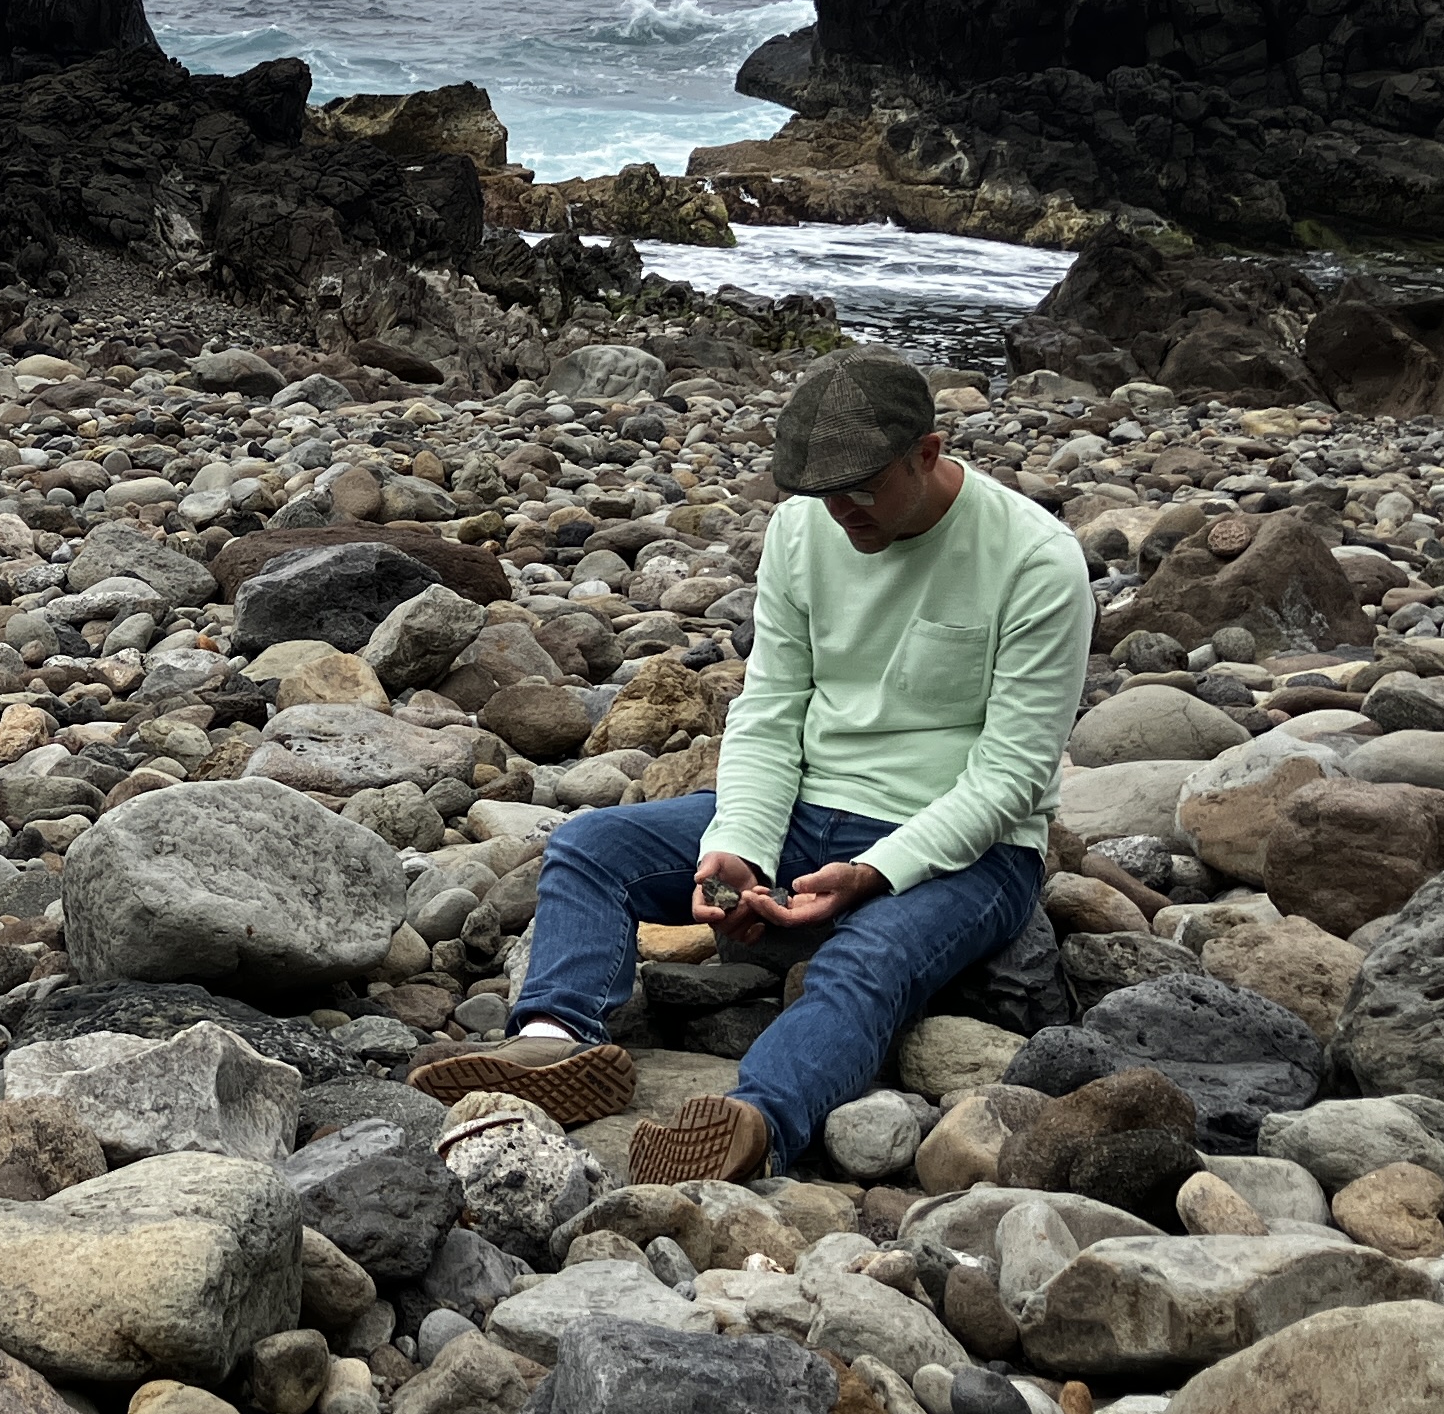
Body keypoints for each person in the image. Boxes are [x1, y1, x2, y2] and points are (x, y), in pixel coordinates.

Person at [416, 347, 1092, 1185]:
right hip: (811, 810)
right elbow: (771, 713)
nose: (840, 511)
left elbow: (1011, 778)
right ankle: (555, 1044)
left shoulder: (1035, 560)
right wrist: (740, 845)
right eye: (820, 491)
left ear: (929, 452)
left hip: (972, 851)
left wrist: (875, 874)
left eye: (862, 487)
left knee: (867, 957)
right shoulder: (805, 529)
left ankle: (756, 1119)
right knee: (591, 847)